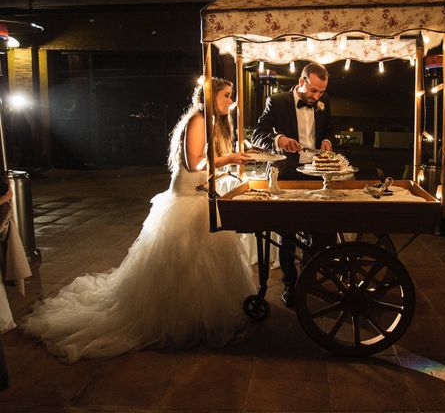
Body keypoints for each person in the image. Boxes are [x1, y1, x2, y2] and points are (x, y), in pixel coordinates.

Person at [20, 78, 256, 363]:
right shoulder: (197, 120)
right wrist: (228, 158)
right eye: (226, 95)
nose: (230, 101)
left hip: (201, 196)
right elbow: (194, 163)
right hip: (186, 200)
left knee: (207, 264)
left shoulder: (215, 122)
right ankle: (177, 320)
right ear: (209, 97)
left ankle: (197, 317)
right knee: (182, 264)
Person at [251, 62, 335, 307]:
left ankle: (309, 279)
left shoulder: (324, 102)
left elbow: (329, 127)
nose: (317, 97)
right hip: (287, 174)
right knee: (287, 232)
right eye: (313, 91)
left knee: (317, 229)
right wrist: (279, 139)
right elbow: (257, 134)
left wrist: (328, 140)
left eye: (321, 92)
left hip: (315, 173)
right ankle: (290, 284)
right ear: (301, 82)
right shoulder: (277, 102)